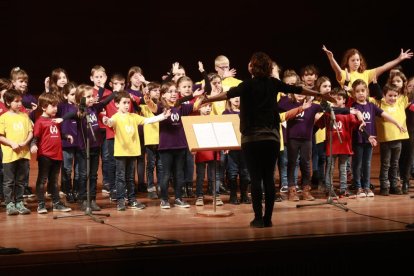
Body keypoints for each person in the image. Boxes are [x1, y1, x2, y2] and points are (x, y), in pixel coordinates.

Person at [202, 52, 334, 228]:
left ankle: (258, 218)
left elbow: (226, 95)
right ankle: (268, 218)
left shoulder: (246, 85)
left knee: (256, 179)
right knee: (268, 179)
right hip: (271, 137)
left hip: (251, 139)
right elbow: (298, 89)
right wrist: (320, 94)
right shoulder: (273, 83)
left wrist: (208, 99)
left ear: (252, 67)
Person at [105, 91, 169, 211]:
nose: (126, 105)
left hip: (132, 152)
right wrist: (106, 121)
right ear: (117, 104)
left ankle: (132, 200)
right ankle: (120, 201)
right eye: (124, 103)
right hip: (121, 153)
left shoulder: (133, 116)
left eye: (128, 103)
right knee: (120, 178)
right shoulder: (116, 117)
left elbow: (148, 120)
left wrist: (163, 116)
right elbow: (110, 122)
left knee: (130, 178)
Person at [316, 88, 364, 199]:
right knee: (330, 168)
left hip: (344, 146)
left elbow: (357, 124)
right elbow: (319, 124)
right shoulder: (328, 113)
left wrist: (361, 120)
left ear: (344, 100)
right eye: (334, 99)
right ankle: (329, 190)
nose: (336, 101)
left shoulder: (348, 114)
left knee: (343, 169)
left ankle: (343, 190)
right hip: (331, 146)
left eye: (339, 98)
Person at [30, 93, 72, 214]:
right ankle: (41, 204)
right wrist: (33, 145)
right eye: (52, 106)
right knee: (42, 180)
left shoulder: (55, 120)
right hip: (45, 155)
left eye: (56, 106)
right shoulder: (40, 121)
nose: (55, 108)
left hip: (57, 155)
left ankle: (56, 203)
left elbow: (56, 134)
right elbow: (35, 137)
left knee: (54, 180)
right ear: (43, 107)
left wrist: (66, 136)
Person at [0, 89, 33, 215]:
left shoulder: (25, 116)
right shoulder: (3, 118)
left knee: (21, 180)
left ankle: (19, 202)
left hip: (23, 153)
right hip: (10, 155)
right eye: (16, 101)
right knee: (9, 181)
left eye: (20, 101)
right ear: (8, 102)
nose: (20, 104)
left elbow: (30, 131)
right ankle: (9, 203)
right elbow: (1, 135)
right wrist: (12, 143)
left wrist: (25, 142)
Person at [322, 45, 413, 87]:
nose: (356, 62)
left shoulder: (366, 74)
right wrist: (331, 58)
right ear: (347, 62)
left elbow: (384, 67)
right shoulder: (344, 74)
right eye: (353, 60)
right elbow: (336, 69)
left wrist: (399, 59)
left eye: (358, 60)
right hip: (350, 108)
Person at [194, 102, 224, 206]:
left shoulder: (215, 119)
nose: (208, 108)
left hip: (213, 150)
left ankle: (216, 196)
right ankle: (199, 196)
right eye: (205, 106)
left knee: (214, 175)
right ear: (199, 108)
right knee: (200, 176)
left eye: (210, 106)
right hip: (201, 151)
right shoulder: (195, 120)